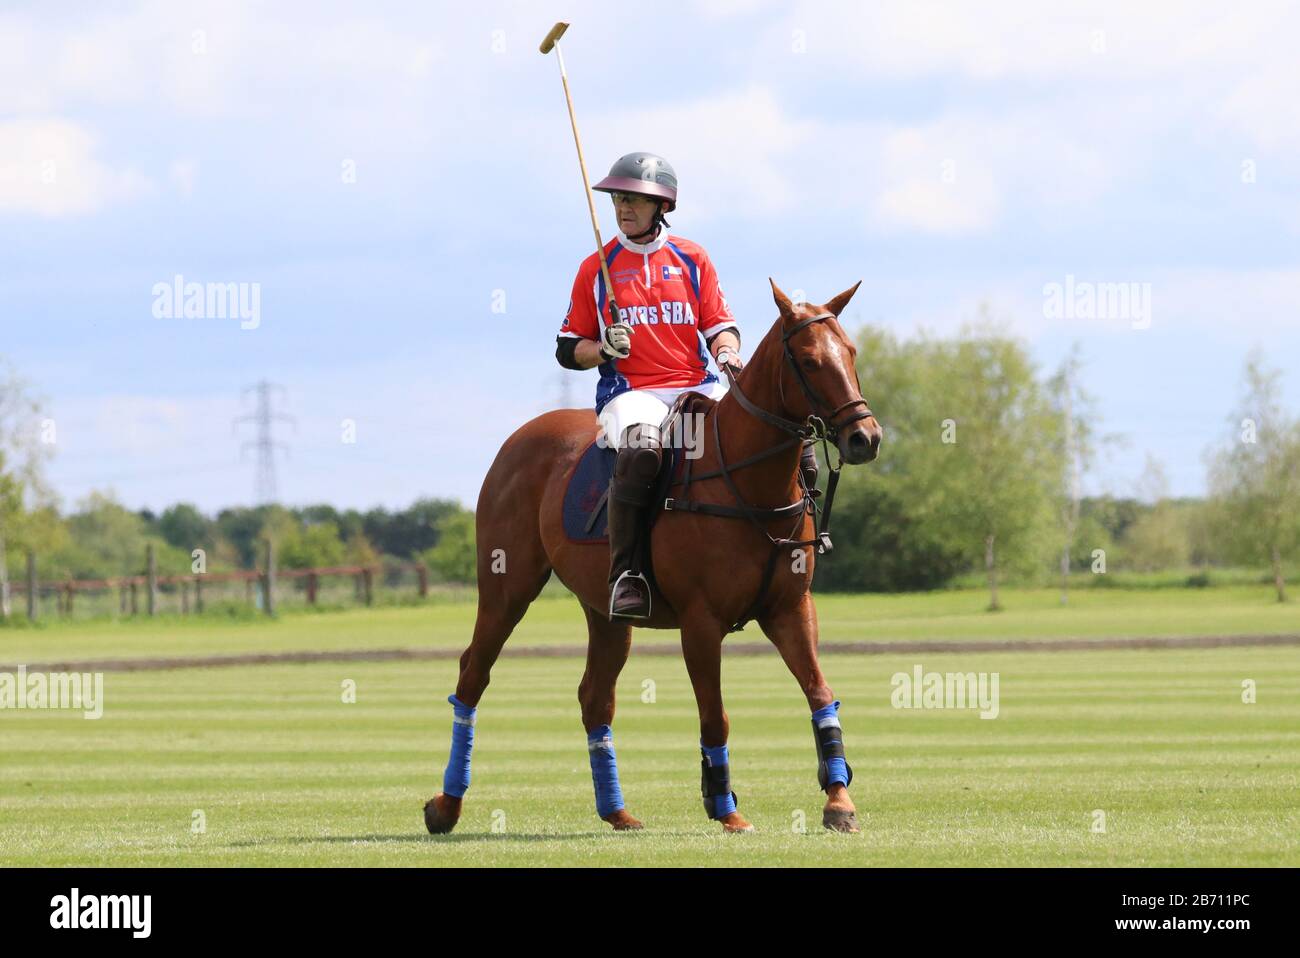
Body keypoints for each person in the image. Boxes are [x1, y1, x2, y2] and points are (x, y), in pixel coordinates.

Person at [555, 152, 743, 620]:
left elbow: (720, 323)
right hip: (631, 393)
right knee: (642, 453)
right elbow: (566, 348)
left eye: (634, 200)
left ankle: (783, 550)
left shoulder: (693, 258)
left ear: (662, 207)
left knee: (766, 432)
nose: (623, 208)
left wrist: (727, 352)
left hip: (697, 386)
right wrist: (601, 350)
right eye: (618, 198)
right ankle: (628, 574)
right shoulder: (595, 268)